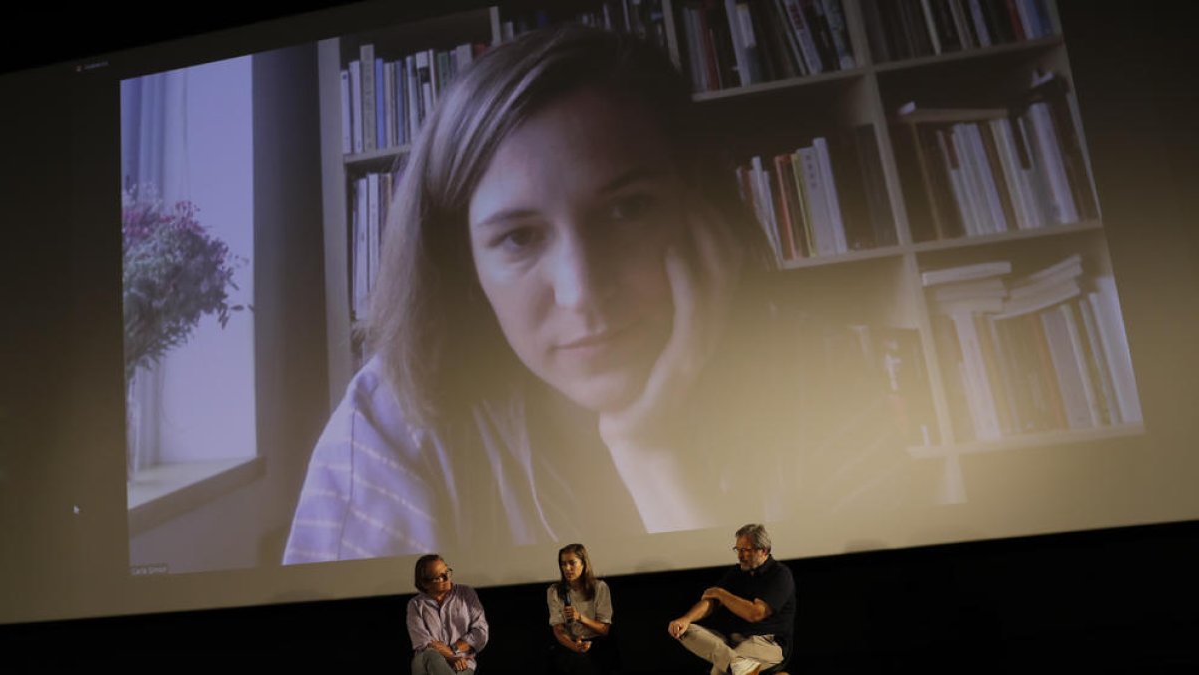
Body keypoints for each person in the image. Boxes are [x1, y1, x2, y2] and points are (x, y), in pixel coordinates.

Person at [283, 23, 909, 564]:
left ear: (698, 208)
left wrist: (655, 459)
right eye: (519, 238)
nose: (582, 292)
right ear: (463, 265)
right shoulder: (389, 428)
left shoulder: (825, 380)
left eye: (628, 209)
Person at [668, 524, 795, 675]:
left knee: (720, 672)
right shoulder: (737, 572)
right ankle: (736, 663)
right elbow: (711, 601)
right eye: (738, 550)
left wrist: (720, 593)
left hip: (767, 642)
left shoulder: (780, 574)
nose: (740, 556)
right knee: (684, 630)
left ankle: (735, 664)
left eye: (745, 550)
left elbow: (755, 614)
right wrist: (686, 619)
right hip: (734, 641)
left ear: (763, 550)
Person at [407, 554, 489, 674]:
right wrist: (450, 657)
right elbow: (423, 642)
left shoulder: (465, 594)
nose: (447, 578)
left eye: (447, 571)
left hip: (462, 662)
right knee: (431, 656)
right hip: (427, 663)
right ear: (425, 583)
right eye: (439, 577)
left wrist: (453, 650)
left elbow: (481, 632)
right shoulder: (415, 605)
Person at [547, 543, 616, 675]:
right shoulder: (554, 591)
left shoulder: (599, 587)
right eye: (563, 564)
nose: (567, 568)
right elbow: (558, 629)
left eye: (572, 563)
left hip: (597, 645)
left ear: (583, 564)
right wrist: (576, 647)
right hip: (569, 645)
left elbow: (604, 629)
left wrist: (579, 617)